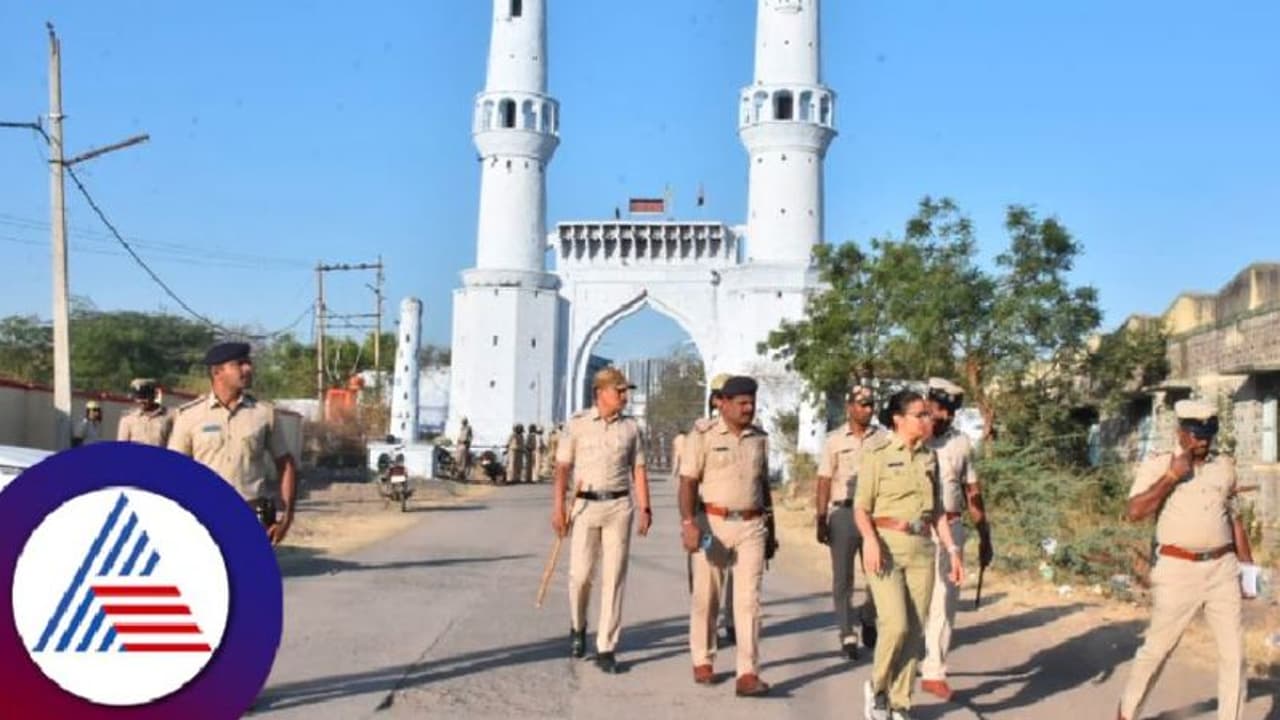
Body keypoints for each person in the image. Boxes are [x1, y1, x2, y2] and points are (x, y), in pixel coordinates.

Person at [1116, 399, 1256, 720]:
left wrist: (1248, 573)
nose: (1202, 442)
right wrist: (1170, 477)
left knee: (1234, 656)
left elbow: (1234, 520)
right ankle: (1126, 713)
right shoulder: (1158, 464)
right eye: (1195, 436)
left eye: (1207, 436)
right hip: (1178, 570)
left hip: (1222, 568)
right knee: (1157, 651)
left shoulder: (1224, 466)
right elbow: (1135, 512)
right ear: (1180, 433)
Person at [856, 390, 964, 720]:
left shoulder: (929, 457)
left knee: (916, 631)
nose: (928, 420)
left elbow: (938, 514)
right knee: (895, 625)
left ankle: (900, 701)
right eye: (921, 415)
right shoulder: (877, 452)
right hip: (885, 545)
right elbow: (861, 507)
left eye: (928, 415)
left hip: (922, 548)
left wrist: (953, 551)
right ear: (899, 419)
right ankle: (877, 689)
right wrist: (871, 541)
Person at [679, 375, 776, 697]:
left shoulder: (759, 438)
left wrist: (771, 529)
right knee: (707, 597)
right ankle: (703, 658)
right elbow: (689, 482)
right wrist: (689, 523)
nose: (748, 408)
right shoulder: (702, 435)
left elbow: (763, 485)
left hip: (751, 526)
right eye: (742, 403)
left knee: (749, 602)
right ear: (725, 403)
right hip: (713, 523)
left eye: (752, 402)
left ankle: (747, 672)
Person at [552, 367, 651, 673]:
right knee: (580, 576)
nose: (624, 396)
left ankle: (606, 646)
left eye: (625, 391)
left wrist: (645, 507)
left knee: (614, 576)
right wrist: (559, 508)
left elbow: (639, 469)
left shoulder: (631, 428)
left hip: (619, 505)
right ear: (601, 392)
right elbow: (563, 468)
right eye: (619, 391)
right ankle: (578, 626)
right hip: (584, 506)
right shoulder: (578, 424)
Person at [168, 341, 297, 545]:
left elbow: (285, 463)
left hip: (252, 515)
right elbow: (174, 471)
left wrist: (287, 516)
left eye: (249, 363)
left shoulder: (263, 414)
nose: (248, 368)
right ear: (218, 371)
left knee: (251, 576)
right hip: (205, 515)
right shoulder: (189, 416)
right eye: (240, 364)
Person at [920, 378, 993, 701]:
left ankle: (934, 670)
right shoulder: (907, 438)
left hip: (951, 526)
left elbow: (972, 492)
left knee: (944, 602)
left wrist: (984, 535)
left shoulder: (960, 443)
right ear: (927, 403)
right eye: (939, 408)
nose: (944, 416)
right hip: (913, 530)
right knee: (911, 604)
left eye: (950, 411)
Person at [815, 384, 882, 661]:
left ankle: (868, 614)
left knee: (878, 575)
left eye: (871, 405)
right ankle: (847, 633)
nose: (867, 409)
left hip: (875, 514)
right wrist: (820, 517)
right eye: (862, 404)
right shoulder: (834, 440)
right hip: (843, 512)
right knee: (843, 578)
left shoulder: (883, 439)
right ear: (850, 407)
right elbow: (824, 480)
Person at [116, 378, 174, 448]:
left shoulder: (169, 417)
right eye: (138, 397)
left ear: (154, 395)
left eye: (144, 397)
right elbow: (122, 448)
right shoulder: (128, 420)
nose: (141, 401)